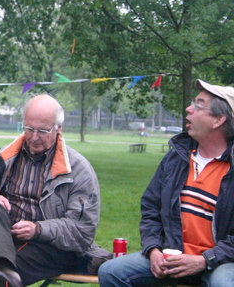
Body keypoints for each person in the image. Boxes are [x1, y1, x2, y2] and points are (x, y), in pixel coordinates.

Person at [0, 94, 110, 287]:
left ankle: (4, 267)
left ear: (58, 129)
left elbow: (83, 232)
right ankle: (5, 265)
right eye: (29, 129)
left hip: (50, 248)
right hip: (2, 240)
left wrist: (38, 230)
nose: (34, 137)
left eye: (43, 131)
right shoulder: (3, 158)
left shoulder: (78, 170)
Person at [98, 79, 234, 287]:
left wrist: (205, 260)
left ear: (218, 120)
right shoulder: (176, 158)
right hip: (171, 255)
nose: (188, 109)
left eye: (198, 105)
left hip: (220, 262)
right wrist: (153, 250)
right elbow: (150, 209)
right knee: (112, 271)